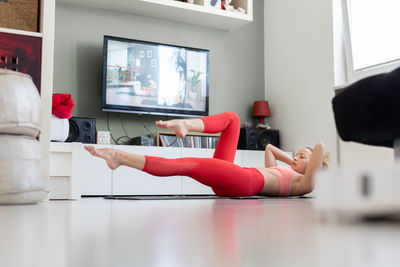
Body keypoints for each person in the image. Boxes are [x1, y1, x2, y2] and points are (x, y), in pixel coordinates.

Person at [84, 112, 326, 197]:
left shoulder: (303, 185)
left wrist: (312, 161)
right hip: (233, 177)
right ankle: (187, 125)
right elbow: (269, 149)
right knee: (232, 119)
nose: (296, 157)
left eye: (303, 157)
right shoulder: (289, 173)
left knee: (188, 164)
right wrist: (294, 161)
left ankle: (120, 157)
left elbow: (321, 147)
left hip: (244, 182)